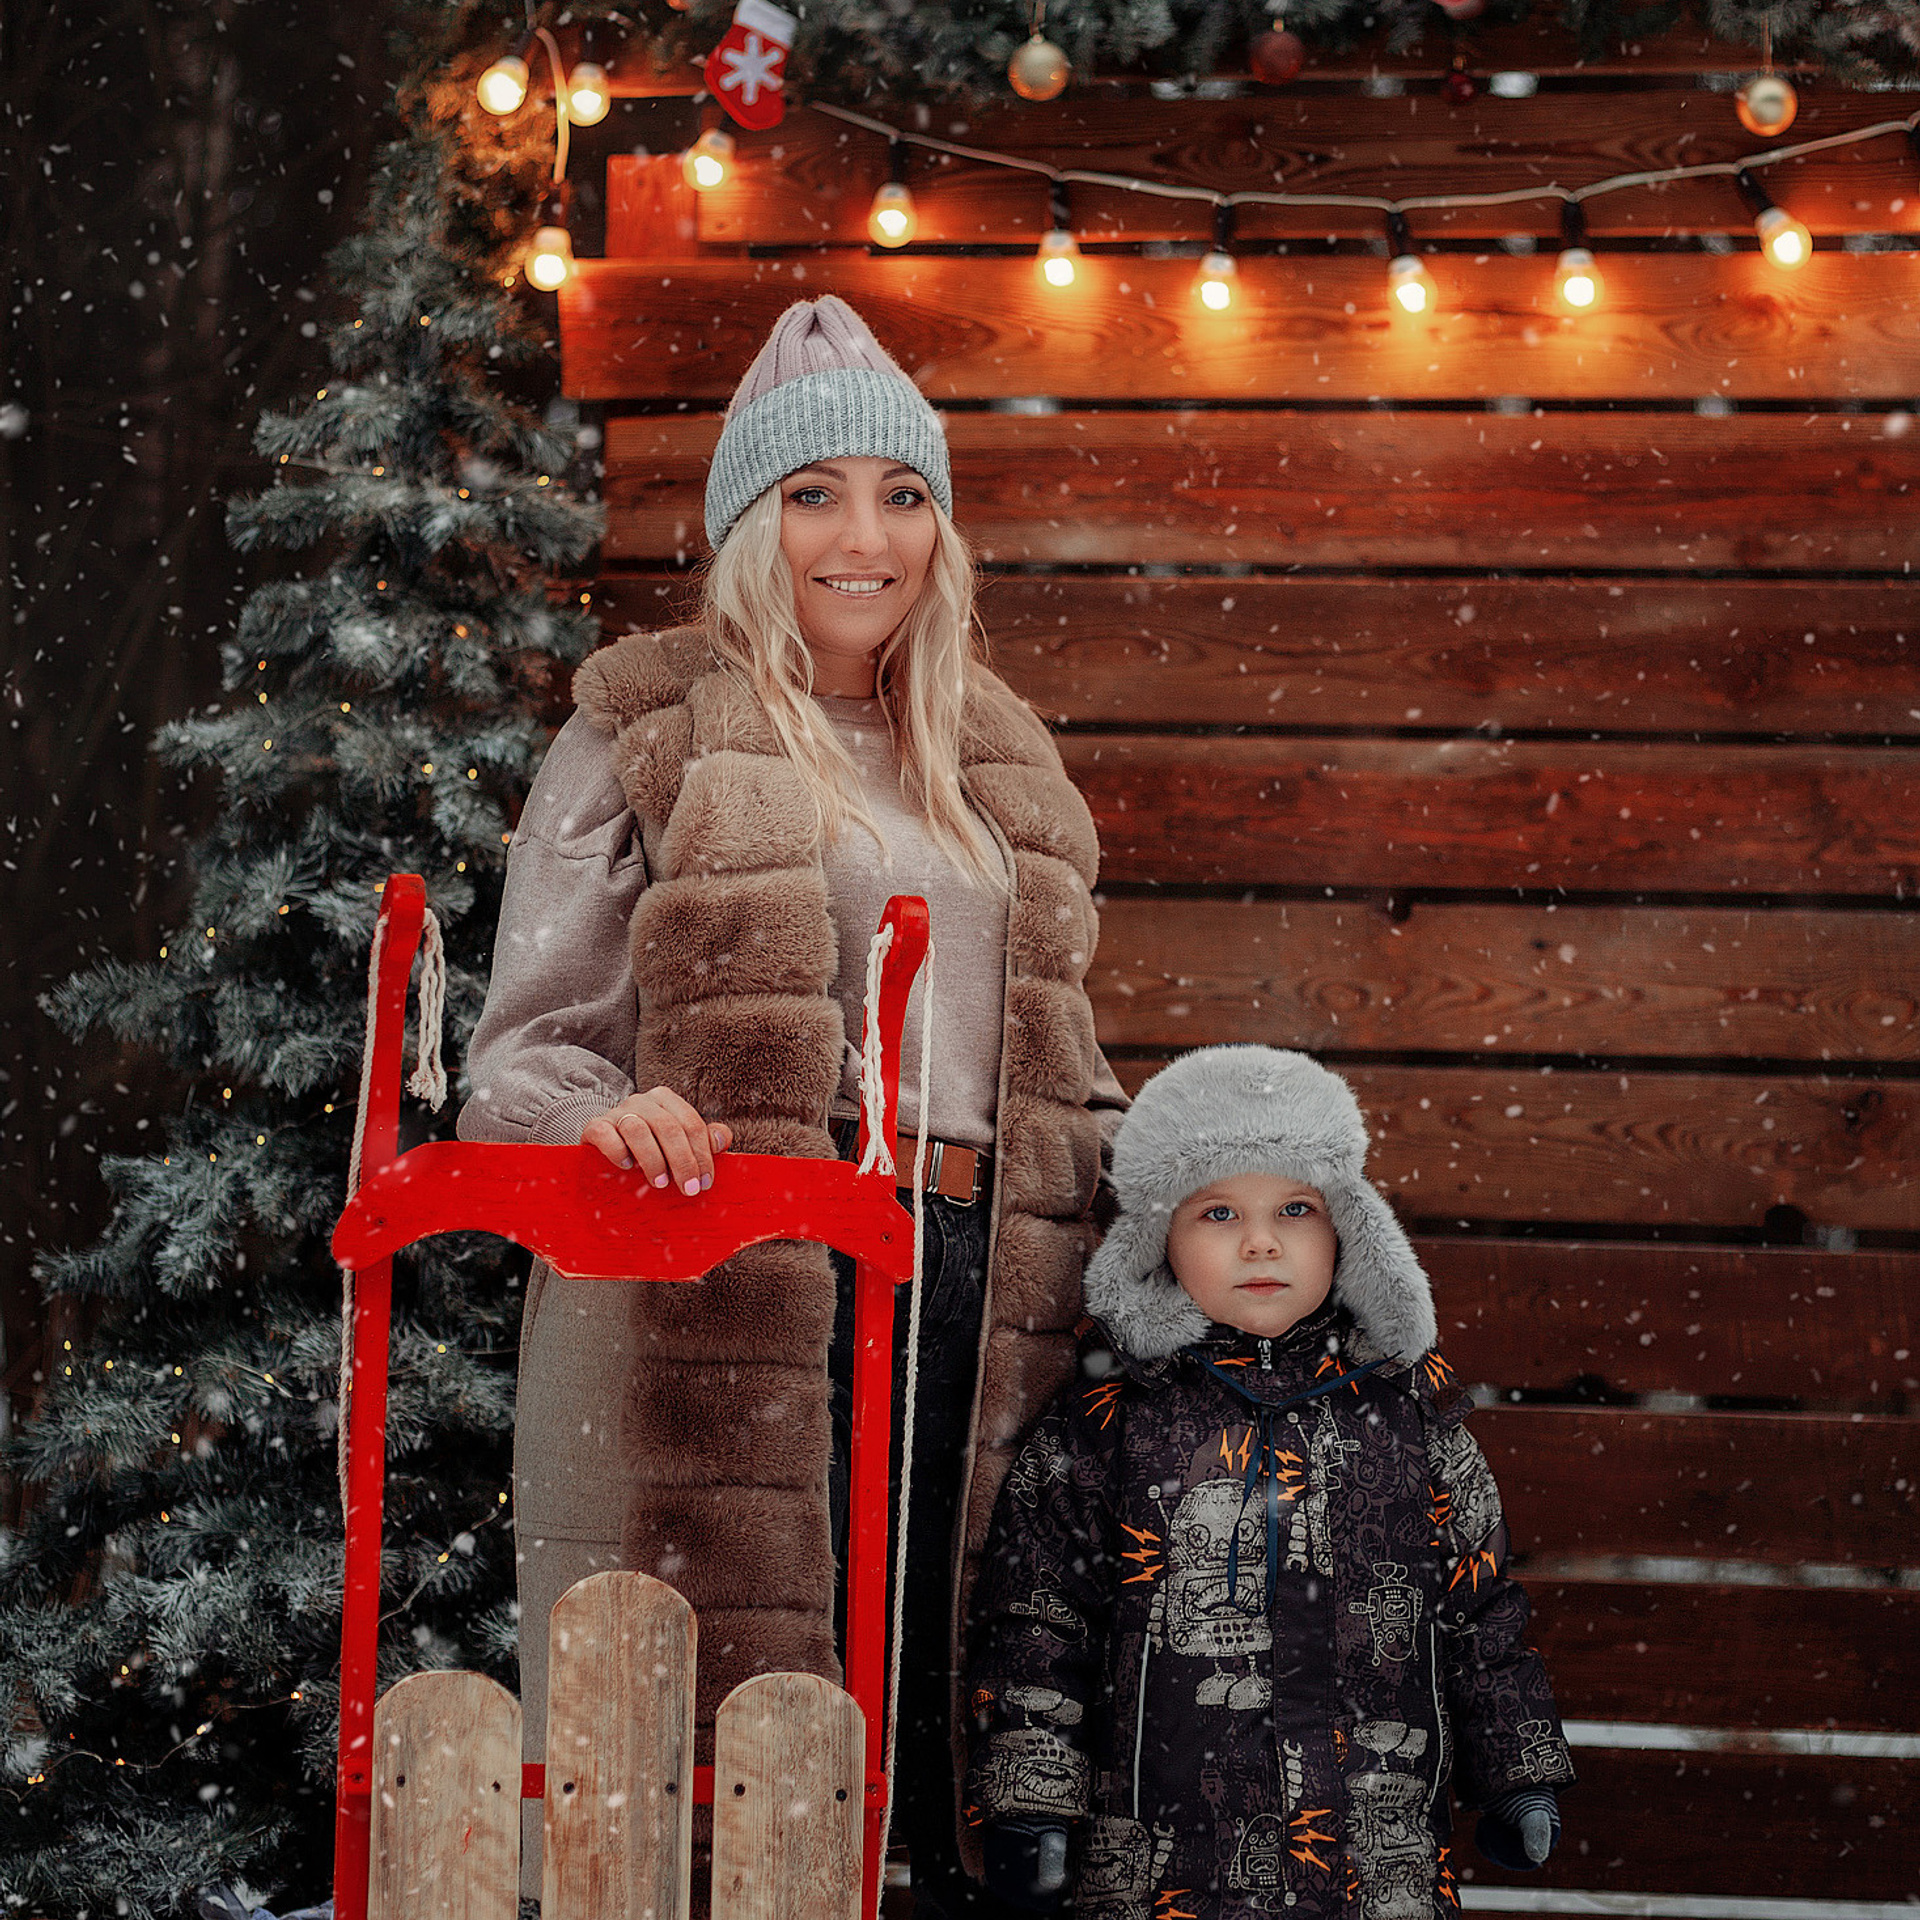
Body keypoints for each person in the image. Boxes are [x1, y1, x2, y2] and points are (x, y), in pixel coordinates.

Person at [458, 294, 1125, 1905]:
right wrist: (598, 1119)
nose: (866, 536)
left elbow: (1065, 1061)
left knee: (945, 1719)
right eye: (814, 493)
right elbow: (522, 1050)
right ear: (753, 524)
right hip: (743, 1270)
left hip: (974, 1281)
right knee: (744, 1747)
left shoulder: (998, 763)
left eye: (902, 496)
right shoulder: (646, 737)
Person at [965, 1046, 1575, 1920]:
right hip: (1158, 1875)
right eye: (1218, 1212)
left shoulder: (1412, 1417)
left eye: (1296, 1208)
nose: (1261, 1241)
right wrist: (1030, 1803)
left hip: (1375, 1870)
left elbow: (1480, 1613)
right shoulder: (1108, 1424)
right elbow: (1036, 1618)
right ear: (1158, 1240)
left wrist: (1518, 1774)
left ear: (1348, 1230)